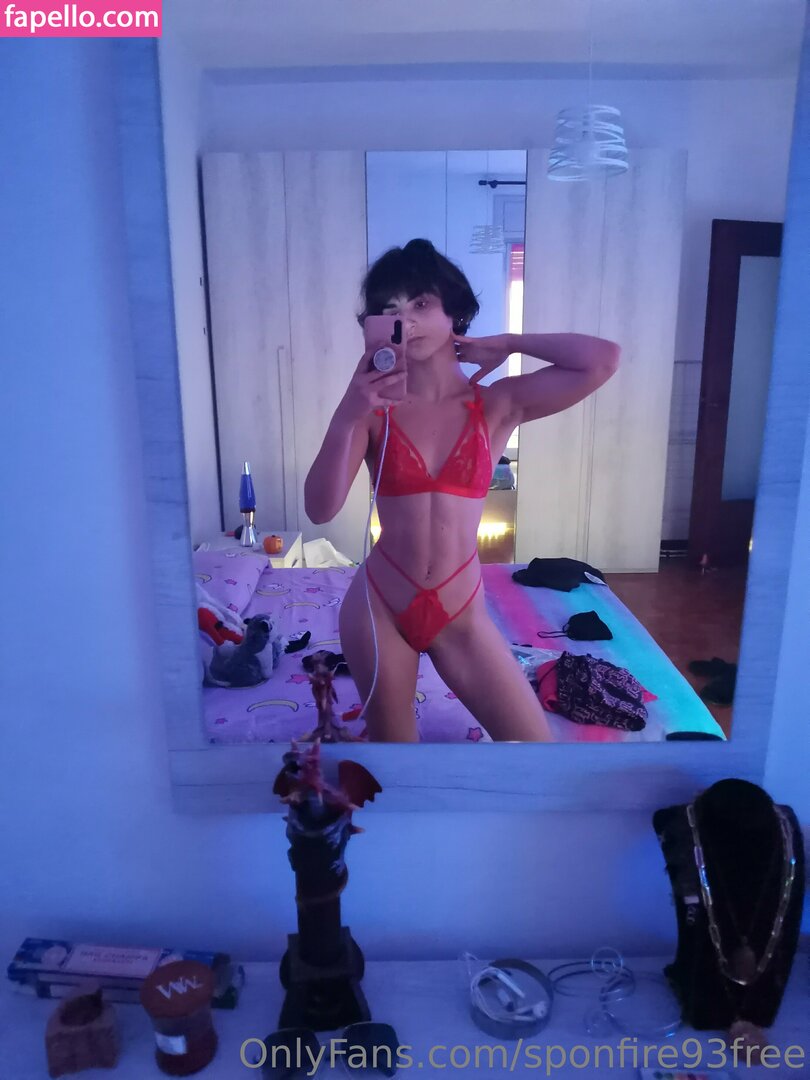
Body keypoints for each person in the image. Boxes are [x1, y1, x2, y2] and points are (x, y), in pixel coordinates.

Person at [304, 239, 620, 742]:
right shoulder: (371, 412)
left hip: (461, 613)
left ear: (454, 312)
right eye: (391, 310)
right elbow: (320, 509)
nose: (407, 320)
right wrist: (348, 411)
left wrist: (510, 342)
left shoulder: (496, 405)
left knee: (534, 750)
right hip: (380, 607)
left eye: (421, 303)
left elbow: (602, 360)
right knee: (398, 763)